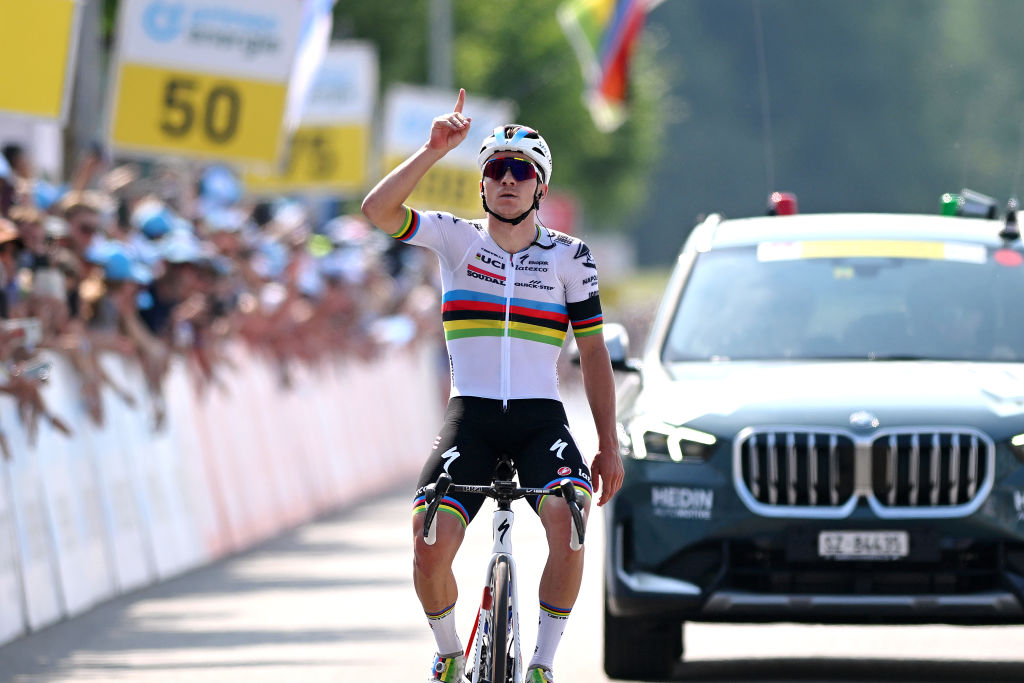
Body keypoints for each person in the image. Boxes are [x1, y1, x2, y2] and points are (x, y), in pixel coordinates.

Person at [361, 89, 623, 683]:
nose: (508, 179)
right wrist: (431, 152)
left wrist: (608, 443)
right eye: (495, 170)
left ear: (540, 188)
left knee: (572, 523)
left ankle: (542, 664)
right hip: (471, 418)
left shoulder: (571, 258)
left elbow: (593, 352)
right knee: (428, 541)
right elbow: (376, 211)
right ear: (482, 185)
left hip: (540, 420)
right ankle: (450, 652)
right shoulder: (456, 240)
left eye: (521, 171)